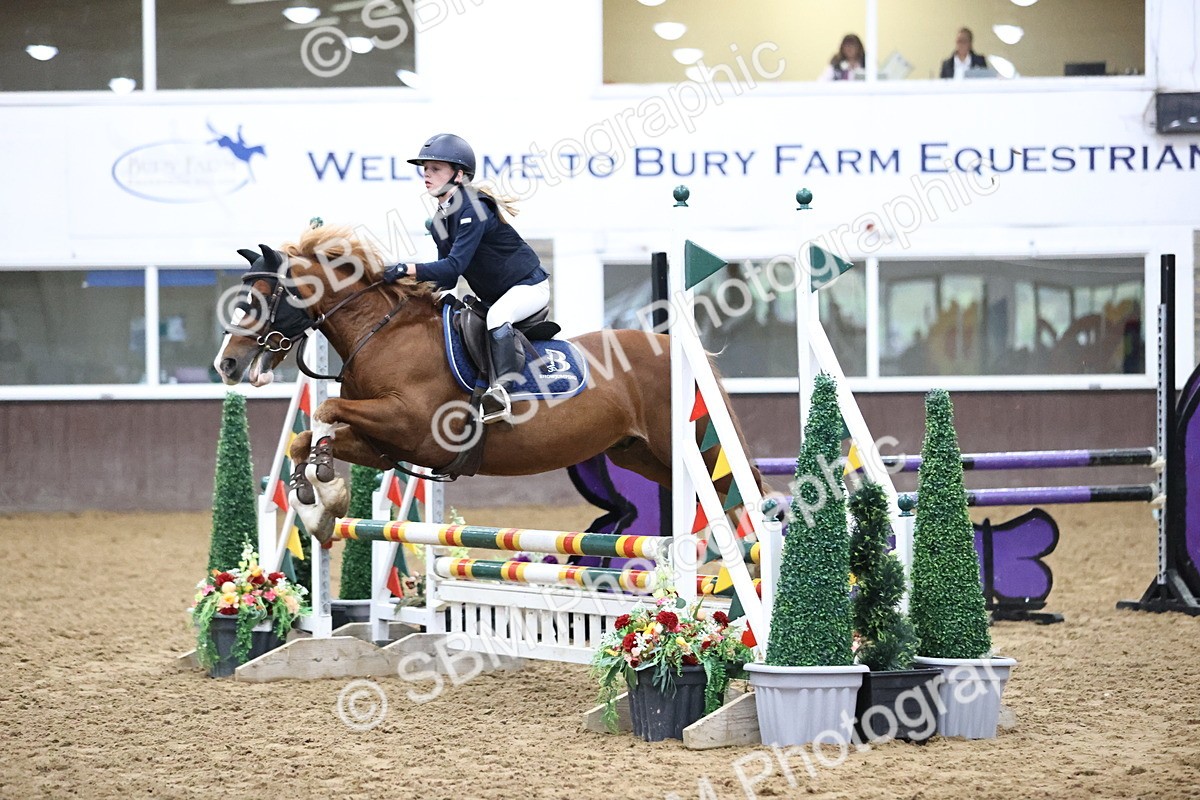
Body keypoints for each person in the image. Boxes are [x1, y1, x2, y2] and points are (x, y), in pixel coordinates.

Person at [383, 133, 550, 423]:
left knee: (498, 316)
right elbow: (446, 280)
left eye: (436, 169)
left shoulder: (473, 206)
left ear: (458, 175)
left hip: (529, 287)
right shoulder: (440, 219)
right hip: (495, 294)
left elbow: (452, 267)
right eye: (425, 169)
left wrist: (406, 269)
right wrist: (403, 286)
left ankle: (501, 393)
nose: (427, 175)